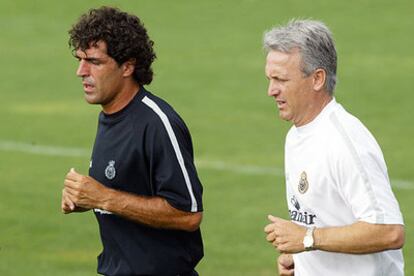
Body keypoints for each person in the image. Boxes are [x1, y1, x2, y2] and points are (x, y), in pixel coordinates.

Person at [61, 6, 203, 276]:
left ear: (127, 66)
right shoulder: (109, 116)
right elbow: (125, 190)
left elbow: (188, 214)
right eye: (80, 59)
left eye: (95, 62)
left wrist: (103, 198)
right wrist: (84, 199)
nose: (81, 71)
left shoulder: (157, 123)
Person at [262, 19, 405, 276]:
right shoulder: (296, 134)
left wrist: (307, 239)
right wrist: (302, 260)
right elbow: (321, 221)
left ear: (317, 79)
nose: (271, 90)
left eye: (281, 79)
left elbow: (389, 231)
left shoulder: (345, 142)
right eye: (270, 78)